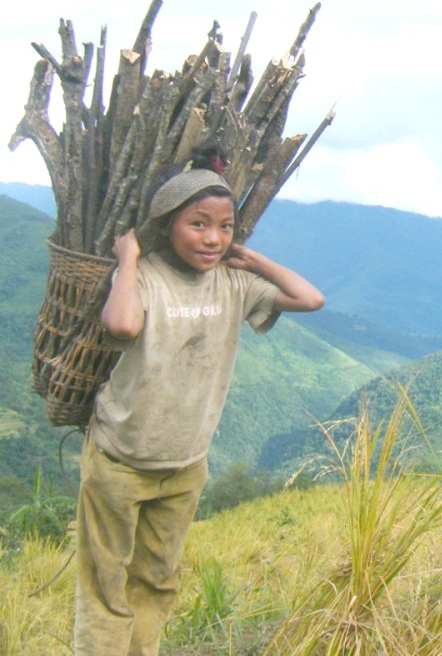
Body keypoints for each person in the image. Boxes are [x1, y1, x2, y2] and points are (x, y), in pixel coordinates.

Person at [73, 153, 325, 655]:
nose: (213, 238)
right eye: (198, 224)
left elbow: (310, 299)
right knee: (106, 588)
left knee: (157, 582)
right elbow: (122, 325)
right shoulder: (143, 276)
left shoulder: (235, 284)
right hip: (121, 461)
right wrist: (127, 258)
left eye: (224, 227)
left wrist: (252, 258)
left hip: (186, 464)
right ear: (169, 228)